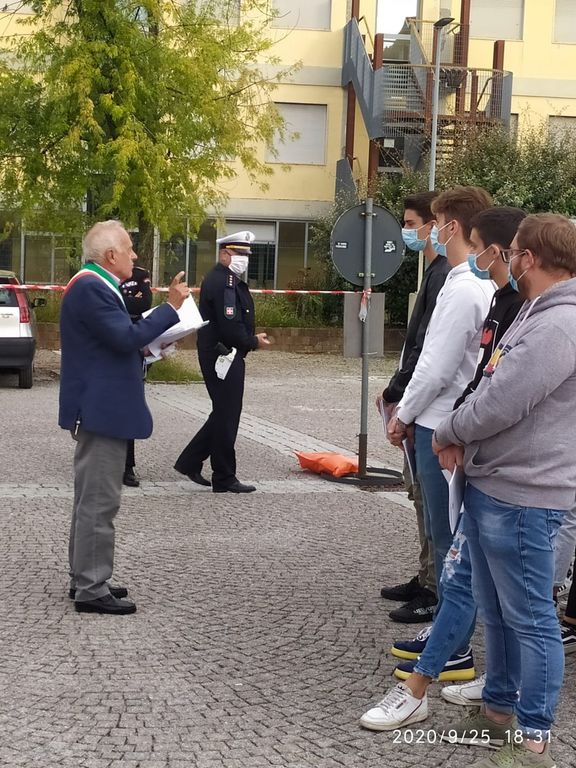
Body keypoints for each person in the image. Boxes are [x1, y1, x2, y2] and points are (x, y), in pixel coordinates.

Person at [360, 206, 526, 732]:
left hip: (486, 454)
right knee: (468, 565)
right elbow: (481, 376)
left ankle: (464, 681)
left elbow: (452, 371)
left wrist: (425, 421)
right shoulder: (495, 295)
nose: (423, 233)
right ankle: (487, 684)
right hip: (464, 439)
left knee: (471, 566)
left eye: (429, 222)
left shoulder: (505, 300)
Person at [433, 213, 576, 768]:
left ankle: (534, 737)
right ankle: (496, 713)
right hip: (497, 485)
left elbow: (501, 402)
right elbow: (489, 378)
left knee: (533, 620)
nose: (507, 258)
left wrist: (447, 430)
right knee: (496, 612)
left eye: (513, 250)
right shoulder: (538, 310)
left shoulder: (559, 323)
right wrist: (459, 430)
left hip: (525, 495)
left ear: (530, 259)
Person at [386, 186, 494, 679]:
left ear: (452, 226)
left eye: (436, 223)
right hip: (442, 418)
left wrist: (403, 414)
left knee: (449, 539)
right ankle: (448, 633)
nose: (429, 233)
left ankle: (454, 646)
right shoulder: (463, 281)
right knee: (447, 535)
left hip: (439, 421)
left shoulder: (466, 285)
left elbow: (436, 364)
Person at [59, 220, 189, 615]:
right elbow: (123, 337)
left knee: (91, 500)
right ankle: (91, 587)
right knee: (100, 503)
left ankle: (85, 576)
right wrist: (171, 309)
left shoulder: (96, 285)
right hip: (102, 410)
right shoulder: (91, 287)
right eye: (129, 249)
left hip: (101, 407)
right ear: (110, 255)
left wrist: (150, 346)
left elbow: (114, 340)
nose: (135, 255)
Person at [378, 191, 449, 625]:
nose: (406, 231)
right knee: (421, 499)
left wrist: (398, 394)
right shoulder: (436, 271)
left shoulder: (447, 276)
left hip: (429, 411)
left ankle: (435, 588)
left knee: (431, 504)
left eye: (410, 223)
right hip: (418, 405)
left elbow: (428, 353)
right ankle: (426, 576)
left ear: (434, 225)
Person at [174, 231, 270, 493]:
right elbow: (230, 325)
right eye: (241, 254)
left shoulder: (227, 279)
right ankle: (224, 476)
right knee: (227, 415)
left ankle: (191, 461)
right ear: (225, 253)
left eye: (247, 255)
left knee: (224, 413)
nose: (245, 259)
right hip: (222, 354)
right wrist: (252, 341)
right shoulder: (224, 282)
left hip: (224, 353)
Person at [119, 264, 153, 488]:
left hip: (135, 346)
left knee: (130, 405)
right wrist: (127, 302)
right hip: (114, 339)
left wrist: (124, 303)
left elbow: (144, 303)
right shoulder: (103, 277)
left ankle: (127, 466)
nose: (131, 255)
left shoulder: (140, 274)